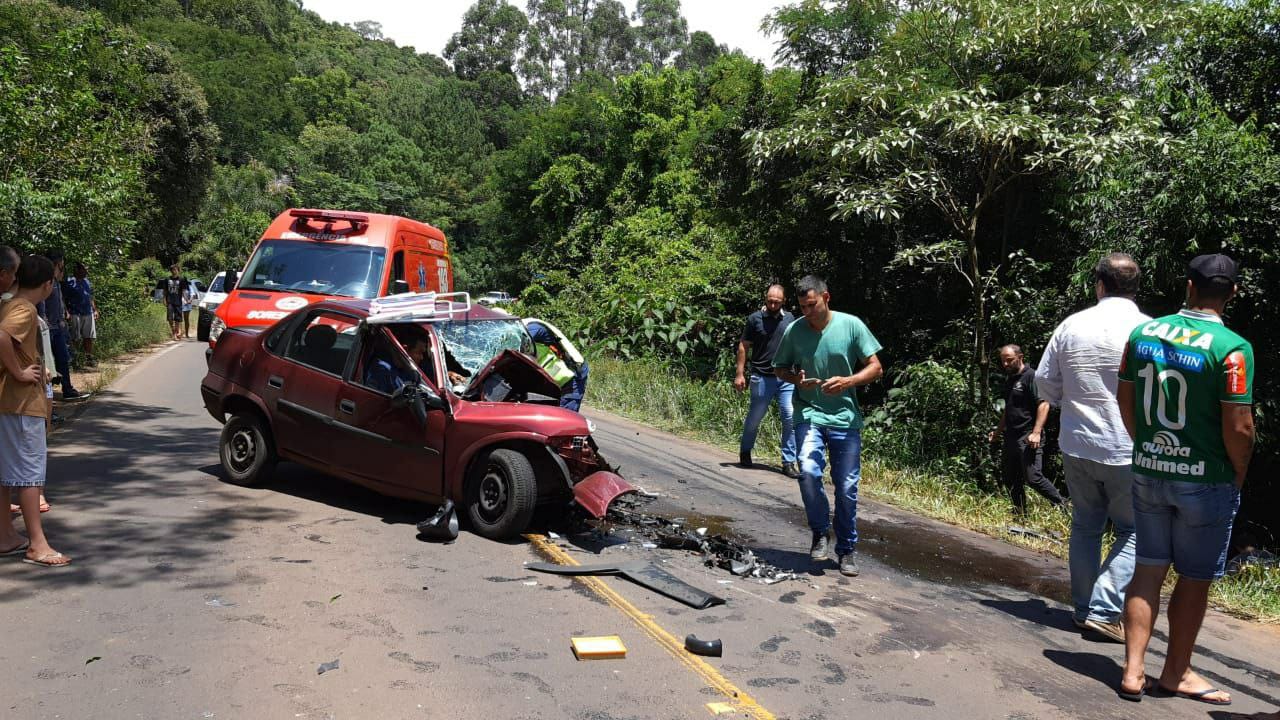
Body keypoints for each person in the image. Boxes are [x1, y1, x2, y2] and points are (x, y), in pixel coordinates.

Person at [1116, 254, 1253, 705]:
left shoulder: (1143, 333)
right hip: (1205, 478)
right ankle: (1176, 672)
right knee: (1193, 578)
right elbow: (1239, 425)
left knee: (1147, 570)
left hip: (1150, 469)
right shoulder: (1232, 348)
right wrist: (1237, 472)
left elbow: (1126, 398)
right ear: (1231, 293)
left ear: (1189, 286)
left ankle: (1133, 671)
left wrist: (1147, 446)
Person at [1035, 253, 1149, 644]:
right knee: (1135, 531)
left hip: (1078, 443)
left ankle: (1084, 610)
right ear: (1136, 288)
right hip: (1128, 447)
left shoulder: (1072, 325)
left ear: (1099, 285)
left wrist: (1072, 403)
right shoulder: (1150, 330)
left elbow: (1045, 383)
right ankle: (1102, 610)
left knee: (1086, 524)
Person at [773, 275, 883, 577]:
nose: (807, 312)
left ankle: (847, 549)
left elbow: (876, 367)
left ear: (826, 298)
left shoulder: (851, 325)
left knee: (846, 488)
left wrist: (849, 381)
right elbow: (780, 368)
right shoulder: (795, 331)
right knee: (807, 472)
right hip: (808, 413)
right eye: (803, 307)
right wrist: (797, 379)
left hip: (845, 420)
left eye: (812, 305)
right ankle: (820, 532)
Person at [0, 254, 70, 567]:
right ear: (47, 285)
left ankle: (6, 537)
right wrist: (19, 372)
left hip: (8, 403)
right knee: (29, 475)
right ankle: (37, 544)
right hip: (22, 404)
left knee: (5, 474)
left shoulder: (8, 304)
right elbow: (2, 337)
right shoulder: (24, 309)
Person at [991, 344, 1066, 514]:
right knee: (1010, 478)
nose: (1005, 364)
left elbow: (1044, 404)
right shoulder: (1010, 379)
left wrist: (1036, 432)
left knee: (1033, 477)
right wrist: (997, 432)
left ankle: (1064, 506)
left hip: (1028, 435)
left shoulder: (1031, 377)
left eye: (1009, 360)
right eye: (1003, 361)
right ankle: (1020, 513)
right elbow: (1008, 410)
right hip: (1011, 435)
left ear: (1020, 357)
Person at [734, 284, 798, 476]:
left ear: (783, 301)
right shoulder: (755, 319)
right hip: (762, 377)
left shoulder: (790, 319)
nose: (772, 304)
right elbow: (744, 346)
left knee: (790, 417)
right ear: (765, 298)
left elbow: (796, 347)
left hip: (786, 377)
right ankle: (745, 451)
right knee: (755, 418)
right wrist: (740, 373)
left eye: (776, 301)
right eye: (770, 300)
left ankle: (788, 462)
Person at [38, 251, 84, 401]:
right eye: (61, 266)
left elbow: (60, 300)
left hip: (58, 327)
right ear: (55, 265)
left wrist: (65, 312)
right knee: (48, 365)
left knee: (63, 359)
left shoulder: (56, 282)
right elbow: (42, 303)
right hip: (48, 329)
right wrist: (44, 321)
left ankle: (67, 389)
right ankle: (48, 399)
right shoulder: (44, 281)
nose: (62, 269)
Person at [525, 318, 589, 412]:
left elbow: (519, 346)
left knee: (565, 417)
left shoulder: (531, 328)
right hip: (553, 376)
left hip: (572, 374)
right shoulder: (526, 328)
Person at [62, 262, 97, 367]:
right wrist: (66, 311)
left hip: (88, 312)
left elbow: (90, 297)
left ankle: (88, 358)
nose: (86, 272)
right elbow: (63, 298)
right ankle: (75, 359)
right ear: (77, 270)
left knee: (88, 336)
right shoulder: (69, 282)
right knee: (75, 337)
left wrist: (95, 310)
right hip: (75, 313)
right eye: (84, 270)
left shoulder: (87, 282)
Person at [156, 265, 190, 341]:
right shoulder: (167, 279)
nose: (174, 271)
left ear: (178, 270)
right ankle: (173, 333)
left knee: (177, 318)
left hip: (178, 301)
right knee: (170, 318)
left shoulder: (181, 280)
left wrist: (186, 300)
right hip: (170, 301)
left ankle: (177, 332)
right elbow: (165, 291)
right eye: (172, 270)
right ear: (171, 271)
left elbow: (183, 291)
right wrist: (164, 299)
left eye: (175, 270)